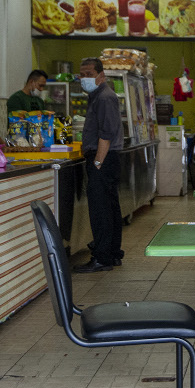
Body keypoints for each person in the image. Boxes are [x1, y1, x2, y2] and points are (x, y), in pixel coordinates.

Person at [74, 57, 125, 273]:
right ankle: (112, 254)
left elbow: (107, 134)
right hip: (106, 159)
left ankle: (102, 257)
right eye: (81, 74)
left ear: (101, 75)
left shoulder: (104, 97)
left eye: (88, 74)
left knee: (101, 210)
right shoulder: (97, 96)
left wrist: (97, 163)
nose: (84, 78)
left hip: (103, 158)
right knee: (110, 207)